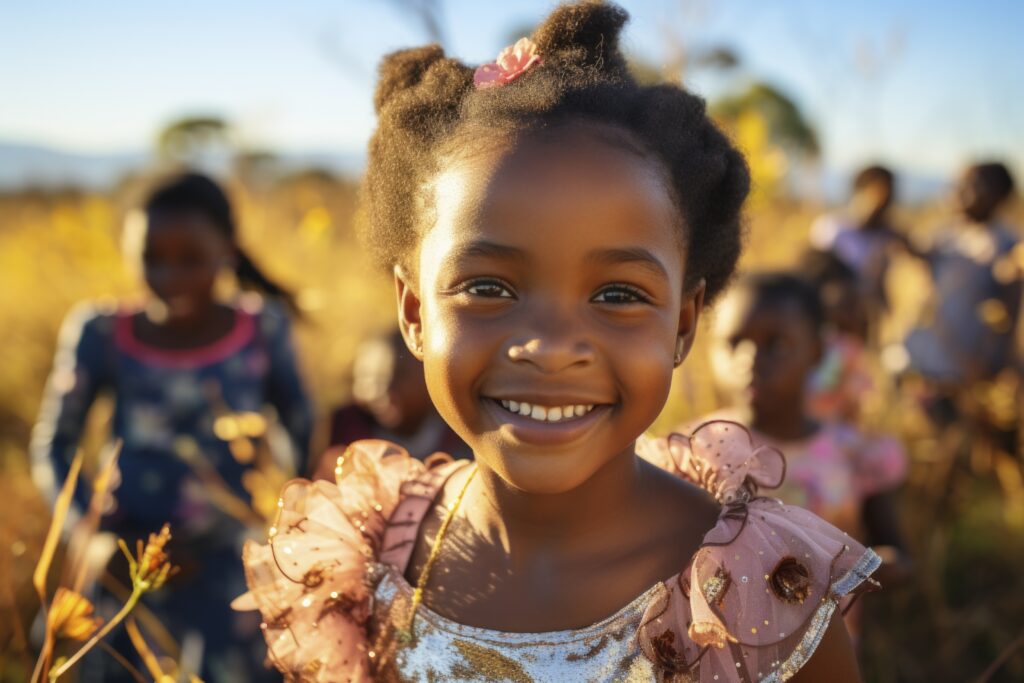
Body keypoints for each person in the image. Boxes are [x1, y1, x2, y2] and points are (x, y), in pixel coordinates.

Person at [235, 4, 880, 680]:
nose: (548, 345)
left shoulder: (759, 591)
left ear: (684, 324)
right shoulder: (372, 557)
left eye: (618, 295)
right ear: (415, 311)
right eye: (488, 288)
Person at [31, 172, 312, 682]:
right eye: (152, 258)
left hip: (232, 558)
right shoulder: (99, 333)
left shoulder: (262, 329)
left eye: (191, 258)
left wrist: (291, 524)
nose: (170, 275)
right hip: (122, 557)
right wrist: (88, 535)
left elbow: (301, 423)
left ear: (226, 250)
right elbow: (55, 443)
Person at [702, 273, 909, 579]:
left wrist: (868, 570)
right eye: (734, 343)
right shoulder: (696, 449)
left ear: (816, 352)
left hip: (832, 628)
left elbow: (896, 553)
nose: (750, 360)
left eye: (777, 344)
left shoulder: (854, 452)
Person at [903, 162, 1021, 390]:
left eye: (972, 186)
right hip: (925, 355)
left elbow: (1007, 311)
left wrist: (988, 359)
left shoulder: (1004, 242)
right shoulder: (945, 234)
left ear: (997, 196)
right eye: (959, 184)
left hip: (966, 364)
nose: (959, 192)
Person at [310, 329, 470, 480]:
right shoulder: (346, 436)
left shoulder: (460, 427)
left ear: (431, 376)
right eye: (372, 379)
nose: (385, 390)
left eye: (400, 376)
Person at [809, 165, 903, 323]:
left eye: (888, 200)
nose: (883, 207)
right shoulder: (831, 230)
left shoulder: (887, 239)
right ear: (860, 193)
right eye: (879, 197)